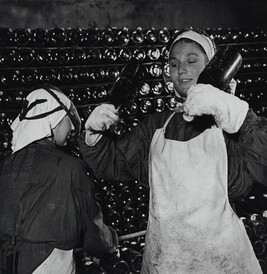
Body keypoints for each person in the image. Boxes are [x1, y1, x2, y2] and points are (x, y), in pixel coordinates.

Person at [79, 28, 267, 273]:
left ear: (212, 68)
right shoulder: (155, 127)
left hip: (221, 263)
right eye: (174, 64)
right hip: (166, 262)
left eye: (191, 61)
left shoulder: (229, 124)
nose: (182, 69)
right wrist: (94, 136)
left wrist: (242, 117)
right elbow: (113, 163)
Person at [0, 84, 118, 274]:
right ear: (52, 118)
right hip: (49, 265)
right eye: (67, 120)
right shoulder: (68, 166)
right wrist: (110, 242)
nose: (72, 127)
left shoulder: (7, 165)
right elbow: (93, 233)